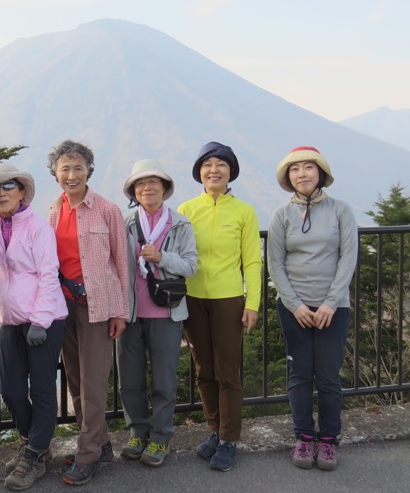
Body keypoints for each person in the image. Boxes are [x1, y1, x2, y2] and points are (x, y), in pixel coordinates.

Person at [0, 163, 68, 491]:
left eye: (8, 186)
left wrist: (40, 321)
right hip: (9, 320)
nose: (2, 193)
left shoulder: (38, 228)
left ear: (22, 191)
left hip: (44, 319)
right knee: (11, 389)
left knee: (41, 388)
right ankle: (33, 443)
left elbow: (48, 274)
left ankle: (35, 454)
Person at [267, 146, 357, 471]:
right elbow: (275, 263)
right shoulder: (282, 215)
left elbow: (348, 258)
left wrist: (331, 302)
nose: (302, 174)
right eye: (294, 169)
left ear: (321, 173)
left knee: (329, 376)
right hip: (294, 309)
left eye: (308, 167)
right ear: (288, 177)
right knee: (300, 375)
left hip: (334, 308)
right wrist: (295, 305)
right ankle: (304, 437)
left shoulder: (340, 211)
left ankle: (329, 440)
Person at [46, 140, 130, 486]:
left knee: (94, 383)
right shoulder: (53, 213)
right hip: (64, 306)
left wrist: (120, 312)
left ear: (89, 171)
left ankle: (87, 455)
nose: (71, 174)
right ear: (55, 173)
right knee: (77, 380)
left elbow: (122, 264)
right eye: (65, 168)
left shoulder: (107, 210)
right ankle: (101, 443)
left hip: (98, 307)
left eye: (78, 167)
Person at [177, 141, 262, 472]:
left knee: (228, 371)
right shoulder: (186, 210)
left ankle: (229, 439)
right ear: (199, 172)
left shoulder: (244, 212)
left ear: (230, 172)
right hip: (192, 300)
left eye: (221, 165)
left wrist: (251, 303)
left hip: (228, 300)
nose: (213, 170)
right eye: (207, 164)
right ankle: (213, 430)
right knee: (204, 369)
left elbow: (252, 263)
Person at [116, 160, 198, 466]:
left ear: (164, 189)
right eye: (140, 184)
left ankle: (161, 437)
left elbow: (190, 265)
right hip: (130, 314)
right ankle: (137, 432)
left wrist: (162, 257)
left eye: (153, 183)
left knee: (164, 380)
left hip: (167, 314)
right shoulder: (125, 224)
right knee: (130, 379)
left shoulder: (180, 224)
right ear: (133, 192)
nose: (147, 188)